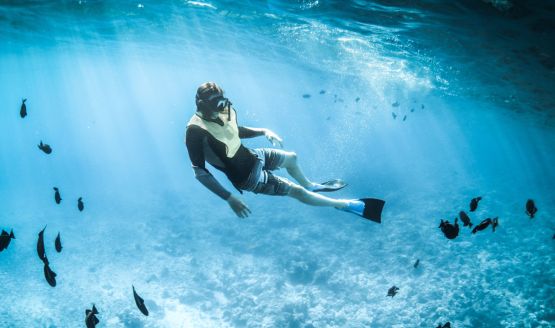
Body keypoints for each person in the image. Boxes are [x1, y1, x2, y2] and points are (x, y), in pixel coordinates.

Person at [184, 82, 384, 222]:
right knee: (297, 192)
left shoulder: (222, 110)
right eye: (214, 104)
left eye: (221, 102)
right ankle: (344, 205)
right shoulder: (195, 131)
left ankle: (311, 186)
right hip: (247, 177)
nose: (220, 108)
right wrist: (229, 198)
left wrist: (264, 131)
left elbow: (233, 130)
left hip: (253, 155)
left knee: (291, 158)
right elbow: (200, 172)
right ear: (201, 104)